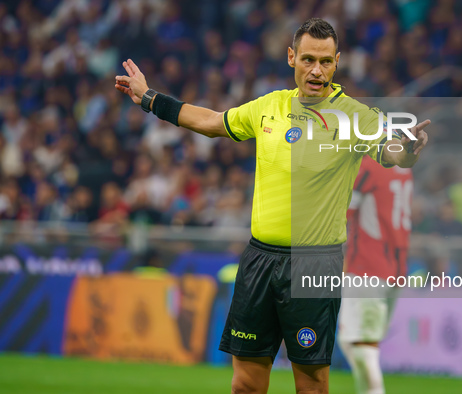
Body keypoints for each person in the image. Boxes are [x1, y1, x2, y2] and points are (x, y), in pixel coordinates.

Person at [115, 18, 429, 394]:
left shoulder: (355, 117)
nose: (317, 70)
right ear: (291, 57)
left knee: (312, 386)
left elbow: (391, 150)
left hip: (315, 265)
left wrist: (407, 152)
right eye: (309, 59)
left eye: (326, 61)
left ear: (337, 61)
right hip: (259, 261)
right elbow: (213, 122)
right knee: (245, 384)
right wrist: (151, 99)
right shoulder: (270, 107)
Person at [338, 156, 413, 394]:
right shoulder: (404, 168)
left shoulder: (370, 165)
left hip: (368, 265)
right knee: (364, 341)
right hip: (396, 266)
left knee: (357, 341)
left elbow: (341, 213)